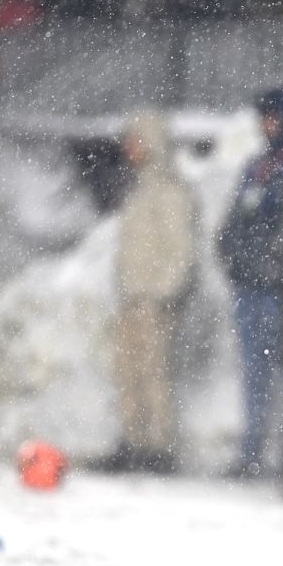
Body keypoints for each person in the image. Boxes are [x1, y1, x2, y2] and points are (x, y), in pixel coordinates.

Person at [216, 87, 283, 480]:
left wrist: (279, 269)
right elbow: (233, 223)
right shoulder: (257, 166)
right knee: (255, 376)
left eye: (275, 117)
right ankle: (251, 452)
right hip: (249, 289)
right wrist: (232, 260)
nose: (268, 125)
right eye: (264, 118)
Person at [105, 110, 197, 474]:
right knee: (127, 370)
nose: (130, 148)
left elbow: (181, 250)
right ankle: (134, 440)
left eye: (136, 140)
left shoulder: (170, 191)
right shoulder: (139, 188)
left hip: (154, 301)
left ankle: (159, 446)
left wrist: (161, 294)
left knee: (155, 372)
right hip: (132, 297)